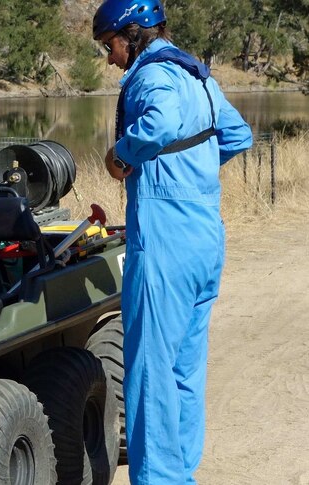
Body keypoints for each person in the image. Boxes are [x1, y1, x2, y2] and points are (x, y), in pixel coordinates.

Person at [92, 0, 253, 483]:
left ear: (133, 33)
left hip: (165, 241)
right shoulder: (199, 74)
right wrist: (192, 171)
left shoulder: (151, 75)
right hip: (206, 237)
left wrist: (120, 156)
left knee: (150, 375)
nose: (110, 57)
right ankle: (180, 473)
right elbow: (238, 134)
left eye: (110, 45)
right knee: (185, 370)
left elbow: (159, 123)